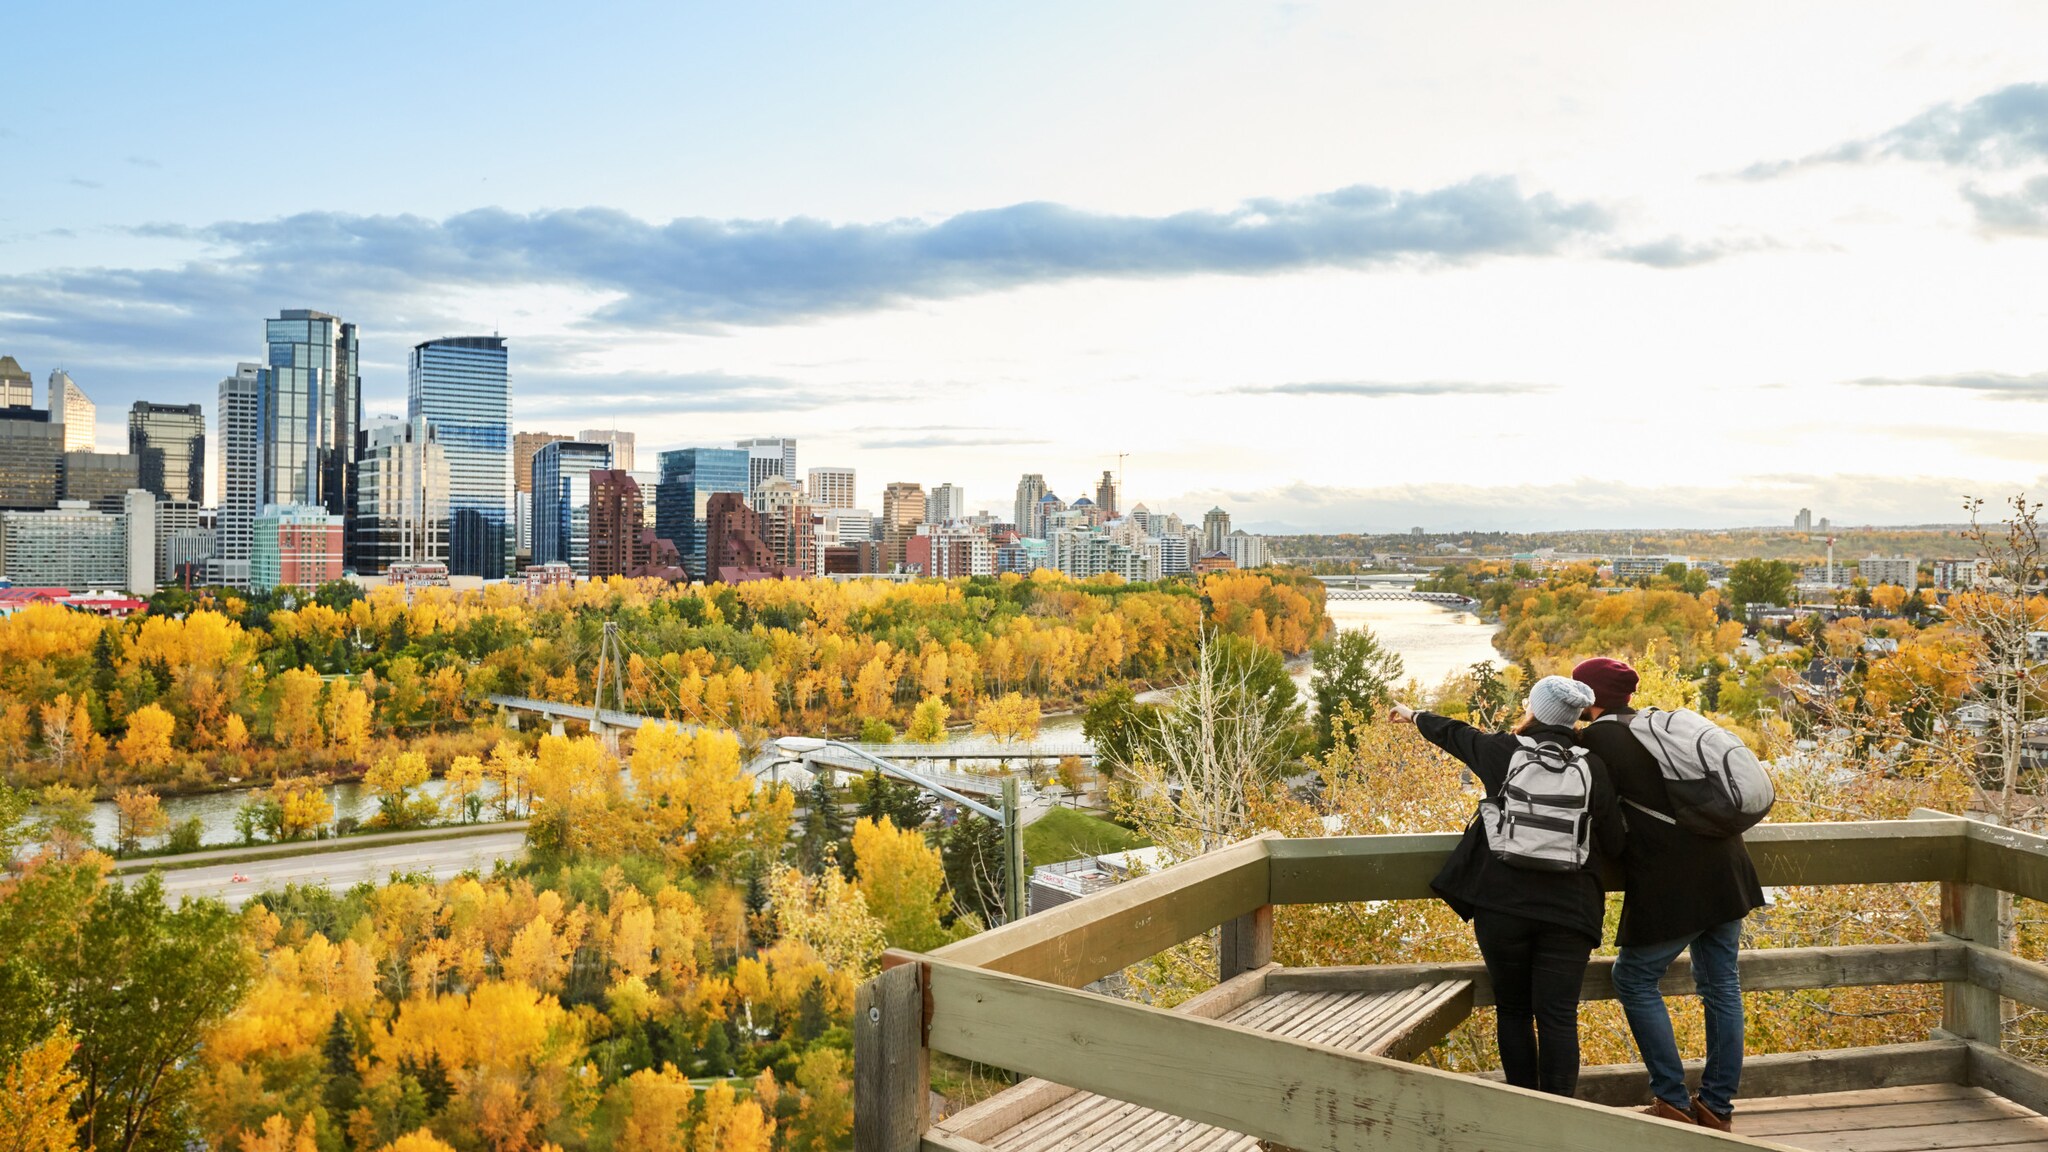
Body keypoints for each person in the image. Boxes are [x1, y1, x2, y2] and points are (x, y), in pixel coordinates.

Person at [1391, 676, 1624, 1098]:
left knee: (1514, 1011)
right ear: (1574, 718)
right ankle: (1559, 1119)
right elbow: (1615, 839)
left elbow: (1456, 735)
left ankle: (1523, 1114)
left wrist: (1413, 716)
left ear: (1534, 710)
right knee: (1558, 1018)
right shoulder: (1593, 767)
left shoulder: (1503, 751)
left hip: (1502, 905)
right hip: (1570, 911)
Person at [1572, 657, 1767, 1131]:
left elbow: (1600, 812)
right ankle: (1716, 1108)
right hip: (1728, 866)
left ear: (1590, 698)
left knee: (1634, 978)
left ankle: (1672, 1100)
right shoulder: (1653, 727)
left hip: (1676, 879)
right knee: (1721, 986)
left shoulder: (1599, 739)